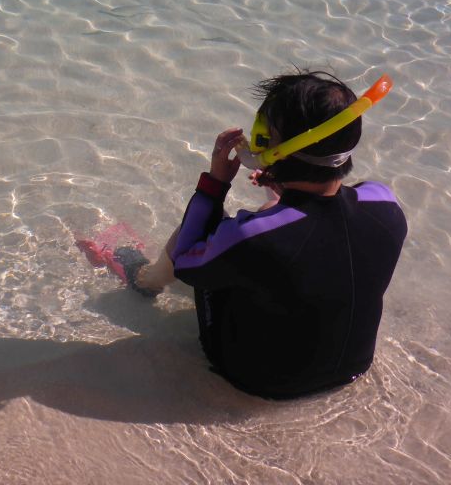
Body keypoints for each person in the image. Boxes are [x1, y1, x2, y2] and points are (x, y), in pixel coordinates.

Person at [136, 71, 407, 398]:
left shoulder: (254, 237)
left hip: (260, 379)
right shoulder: (386, 206)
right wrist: (280, 186)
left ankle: (146, 282)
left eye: (265, 134)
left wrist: (214, 184)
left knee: (207, 227)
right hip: (354, 365)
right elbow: (319, 225)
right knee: (279, 229)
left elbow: (186, 262)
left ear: (277, 147)